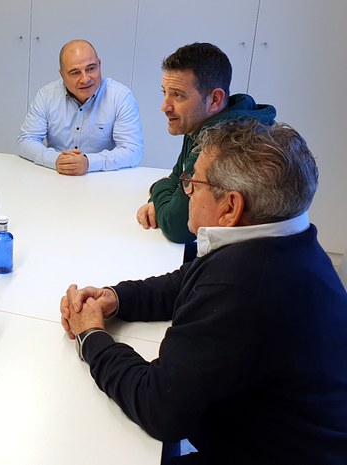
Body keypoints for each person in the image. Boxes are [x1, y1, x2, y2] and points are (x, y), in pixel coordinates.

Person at [61, 119, 347, 464]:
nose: (187, 192)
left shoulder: (241, 285)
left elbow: (159, 407)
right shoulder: (284, 240)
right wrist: (118, 298)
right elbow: (191, 279)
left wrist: (91, 336)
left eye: (193, 183)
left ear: (230, 208)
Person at [136, 42, 276, 244]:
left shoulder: (221, 143)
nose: (165, 106)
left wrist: (156, 188)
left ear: (215, 99)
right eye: (164, 92)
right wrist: (159, 202)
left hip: (243, 255)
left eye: (178, 95)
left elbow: (177, 227)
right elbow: (178, 177)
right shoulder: (199, 124)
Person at [17, 39, 144, 175]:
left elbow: (133, 150)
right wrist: (56, 160)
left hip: (101, 177)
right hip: (56, 175)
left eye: (91, 68)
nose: (85, 79)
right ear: (62, 75)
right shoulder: (47, 95)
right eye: (75, 73)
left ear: (99, 65)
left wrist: (88, 162)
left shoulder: (121, 97)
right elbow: (26, 140)